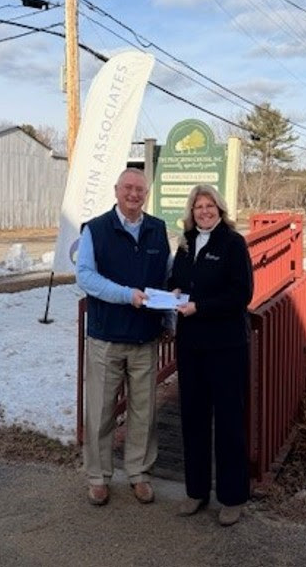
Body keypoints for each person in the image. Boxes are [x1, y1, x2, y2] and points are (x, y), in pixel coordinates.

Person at [76, 167, 170, 507]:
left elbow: (166, 276)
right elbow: (85, 276)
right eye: (128, 188)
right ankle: (98, 477)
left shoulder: (157, 229)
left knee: (144, 412)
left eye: (139, 190)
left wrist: (170, 315)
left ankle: (139, 473)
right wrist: (126, 295)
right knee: (101, 411)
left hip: (145, 337)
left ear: (146, 194)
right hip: (106, 337)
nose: (133, 194)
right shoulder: (96, 229)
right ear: (116, 190)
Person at [169, 184, 253, 526]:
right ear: (191, 212)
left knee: (229, 422)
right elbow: (177, 279)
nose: (204, 211)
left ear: (220, 209)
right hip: (191, 345)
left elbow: (241, 294)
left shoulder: (233, 243)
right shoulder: (185, 243)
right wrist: (174, 290)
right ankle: (196, 491)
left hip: (226, 346)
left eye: (209, 206)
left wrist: (200, 306)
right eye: (198, 206)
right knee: (193, 418)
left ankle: (232, 497)